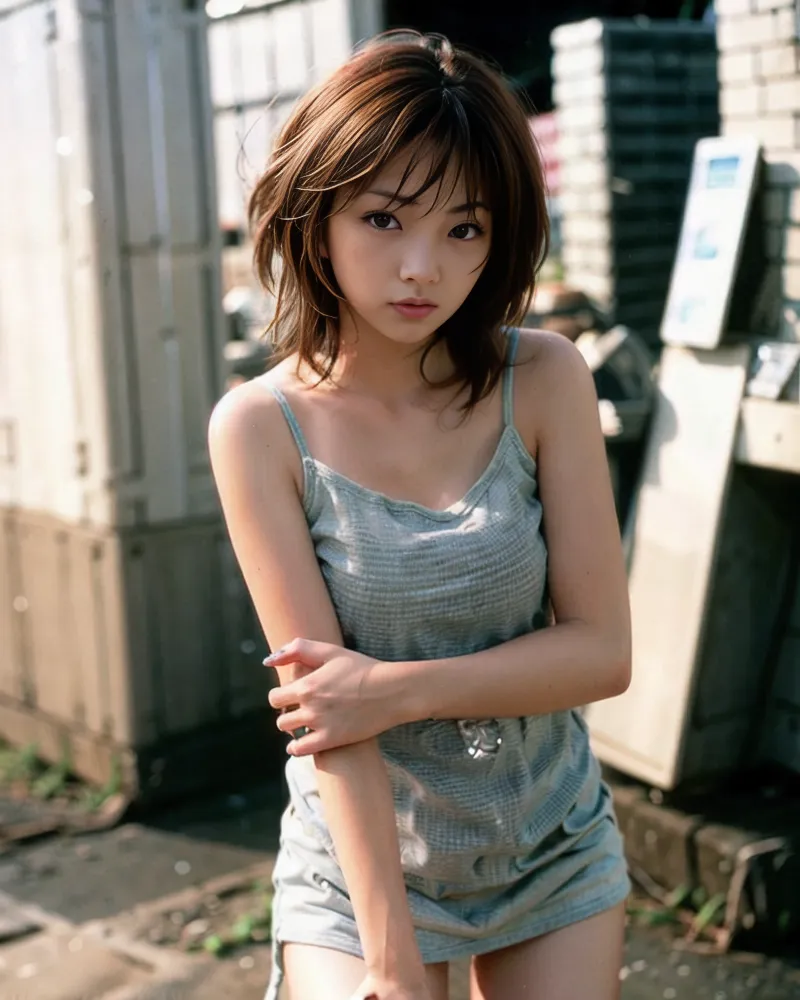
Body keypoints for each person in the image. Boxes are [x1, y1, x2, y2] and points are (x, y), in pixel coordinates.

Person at [208, 30, 632, 1000]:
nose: (421, 268)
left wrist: (393, 687)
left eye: (463, 230)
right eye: (385, 218)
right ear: (318, 215)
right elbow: (330, 722)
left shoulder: (544, 378)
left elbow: (601, 651)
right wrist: (392, 963)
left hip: (546, 839)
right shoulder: (260, 429)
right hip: (354, 866)